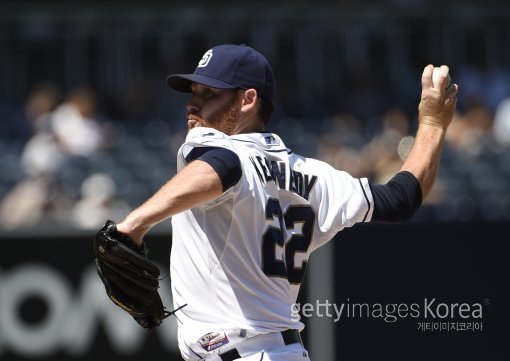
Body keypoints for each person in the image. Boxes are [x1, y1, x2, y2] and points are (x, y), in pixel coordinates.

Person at [112, 44, 458, 361]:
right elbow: (401, 199)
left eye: (209, 94)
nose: (193, 103)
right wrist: (431, 124)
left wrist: (135, 223)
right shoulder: (318, 175)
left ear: (247, 100)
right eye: (193, 93)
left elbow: (224, 167)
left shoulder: (212, 145)